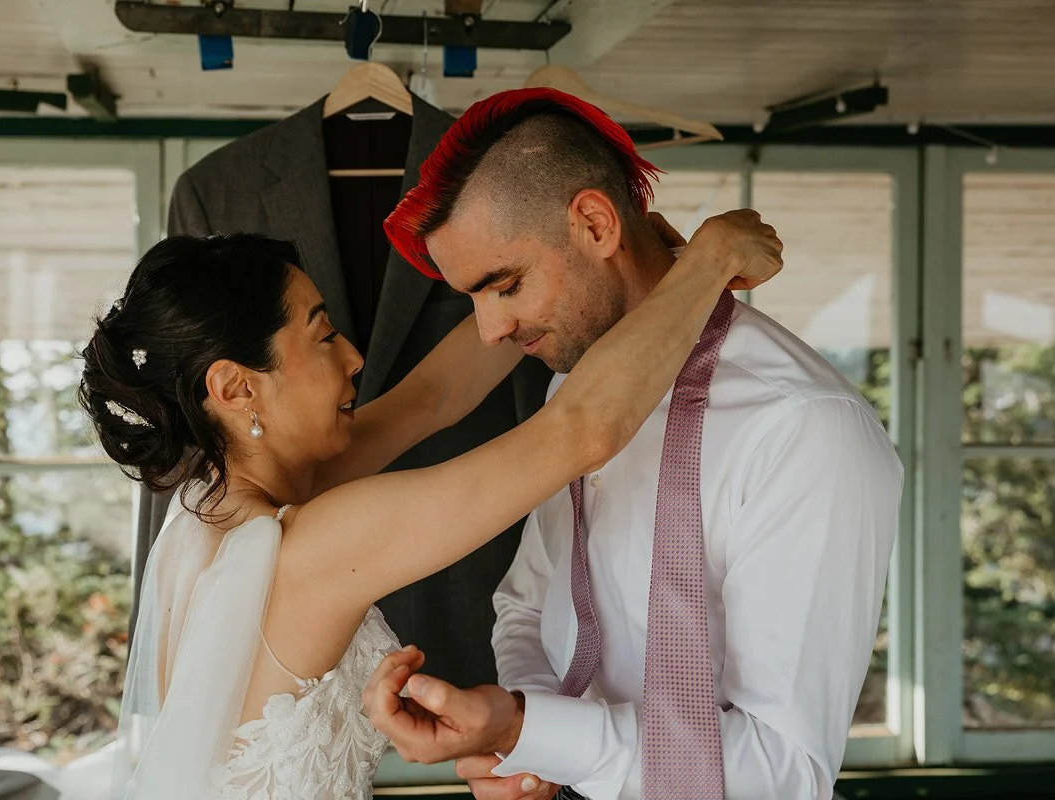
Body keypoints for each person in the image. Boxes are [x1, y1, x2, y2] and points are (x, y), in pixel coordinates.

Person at [81, 209, 782, 795]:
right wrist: (709, 260)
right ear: (237, 390)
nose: (353, 356)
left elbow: (433, 396)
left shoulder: (218, 501)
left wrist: (565, 271)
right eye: (322, 334)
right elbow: (581, 432)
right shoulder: (316, 544)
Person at [364, 88, 903, 800]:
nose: (490, 331)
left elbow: (783, 773)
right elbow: (527, 605)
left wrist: (532, 732)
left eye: (505, 286)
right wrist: (535, 742)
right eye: (473, 298)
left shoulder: (803, 427)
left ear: (594, 222)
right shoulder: (575, 389)